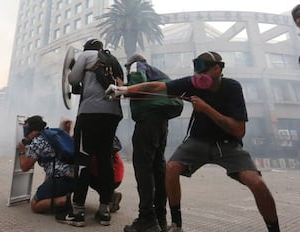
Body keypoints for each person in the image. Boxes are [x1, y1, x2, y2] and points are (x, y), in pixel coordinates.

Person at [106, 51, 280, 232]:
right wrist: (125, 89)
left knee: (257, 183)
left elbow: (239, 130)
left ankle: (274, 228)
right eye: (196, 70)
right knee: (170, 169)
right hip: (198, 141)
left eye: (203, 71)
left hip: (227, 144)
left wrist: (206, 109)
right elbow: (157, 86)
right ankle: (175, 224)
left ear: (217, 69)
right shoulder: (192, 84)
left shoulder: (232, 87)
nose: (198, 76)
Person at [56, 39, 123, 227]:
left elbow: (72, 80)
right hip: (112, 115)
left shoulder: (86, 55)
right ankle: (104, 211)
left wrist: (76, 69)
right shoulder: (113, 60)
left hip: (90, 114)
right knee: (105, 160)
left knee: (83, 160)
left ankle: (77, 213)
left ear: (87, 49)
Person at [122, 54, 171, 232]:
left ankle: (147, 219)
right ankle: (160, 219)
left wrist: (123, 88)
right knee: (158, 168)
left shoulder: (137, 66)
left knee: (143, 168)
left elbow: (138, 84)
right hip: (161, 122)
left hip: (148, 121)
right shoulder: (156, 72)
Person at [17, 115, 75, 216]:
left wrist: (22, 151)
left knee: (35, 205)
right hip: (76, 177)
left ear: (33, 130)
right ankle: (68, 194)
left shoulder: (38, 142)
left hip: (61, 179)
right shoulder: (53, 133)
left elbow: (24, 167)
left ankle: (65, 200)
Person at [90, 136, 125, 213]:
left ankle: (108, 200)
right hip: (118, 177)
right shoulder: (109, 137)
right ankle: (111, 195)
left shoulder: (90, 138)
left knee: (83, 174)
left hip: (102, 178)